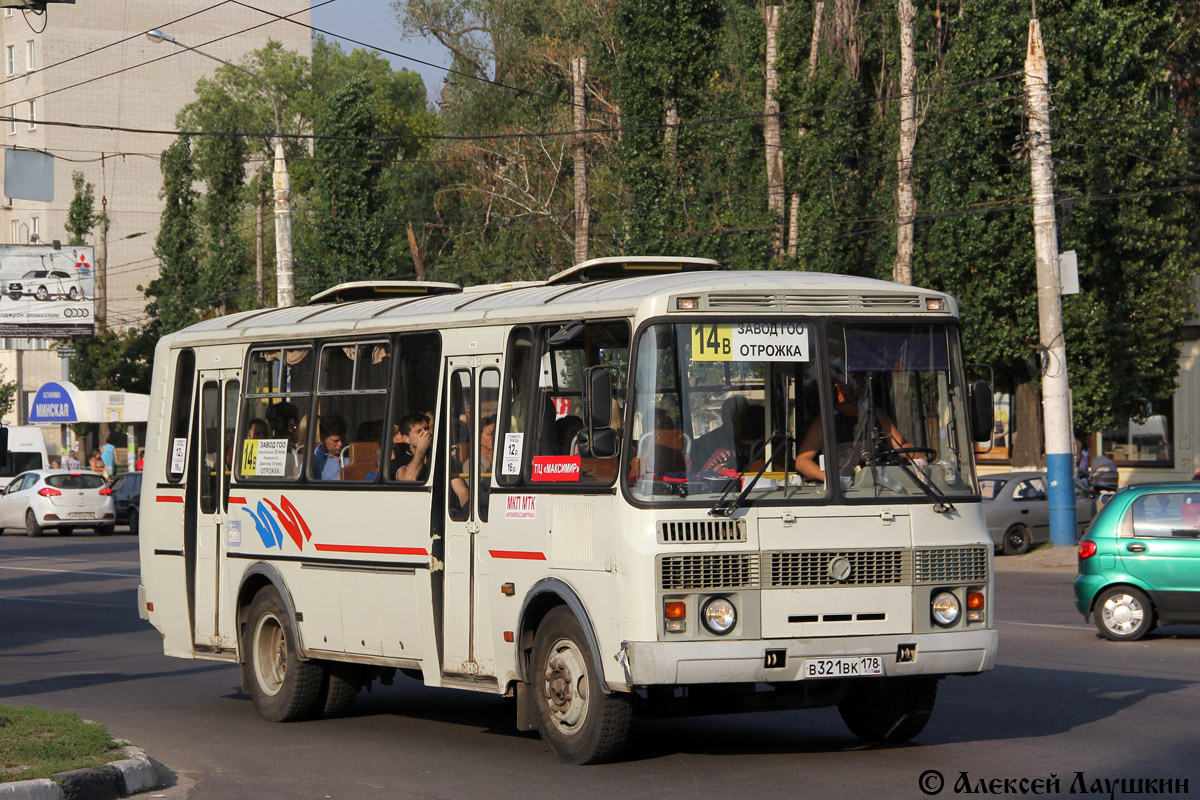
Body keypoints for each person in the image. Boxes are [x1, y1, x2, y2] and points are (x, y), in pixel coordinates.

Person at [795, 370, 913, 484]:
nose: (851, 386)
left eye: (856, 379)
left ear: (864, 382)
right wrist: (834, 481)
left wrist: (917, 458)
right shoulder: (825, 420)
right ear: (837, 385)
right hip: (840, 494)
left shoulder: (877, 416)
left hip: (875, 490)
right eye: (845, 381)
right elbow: (802, 462)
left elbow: (904, 447)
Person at [392, 412, 432, 482]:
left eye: (426, 428)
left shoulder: (438, 456)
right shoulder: (396, 463)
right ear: (406, 439)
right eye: (419, 431)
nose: (426, 433)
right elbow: (408, 479)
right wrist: (421, 449)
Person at [311, 415, 346, 480]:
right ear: (322, 438)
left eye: (343, 439)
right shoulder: (313, 460)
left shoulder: (353, 454)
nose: (340, 444)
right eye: (335, 441)